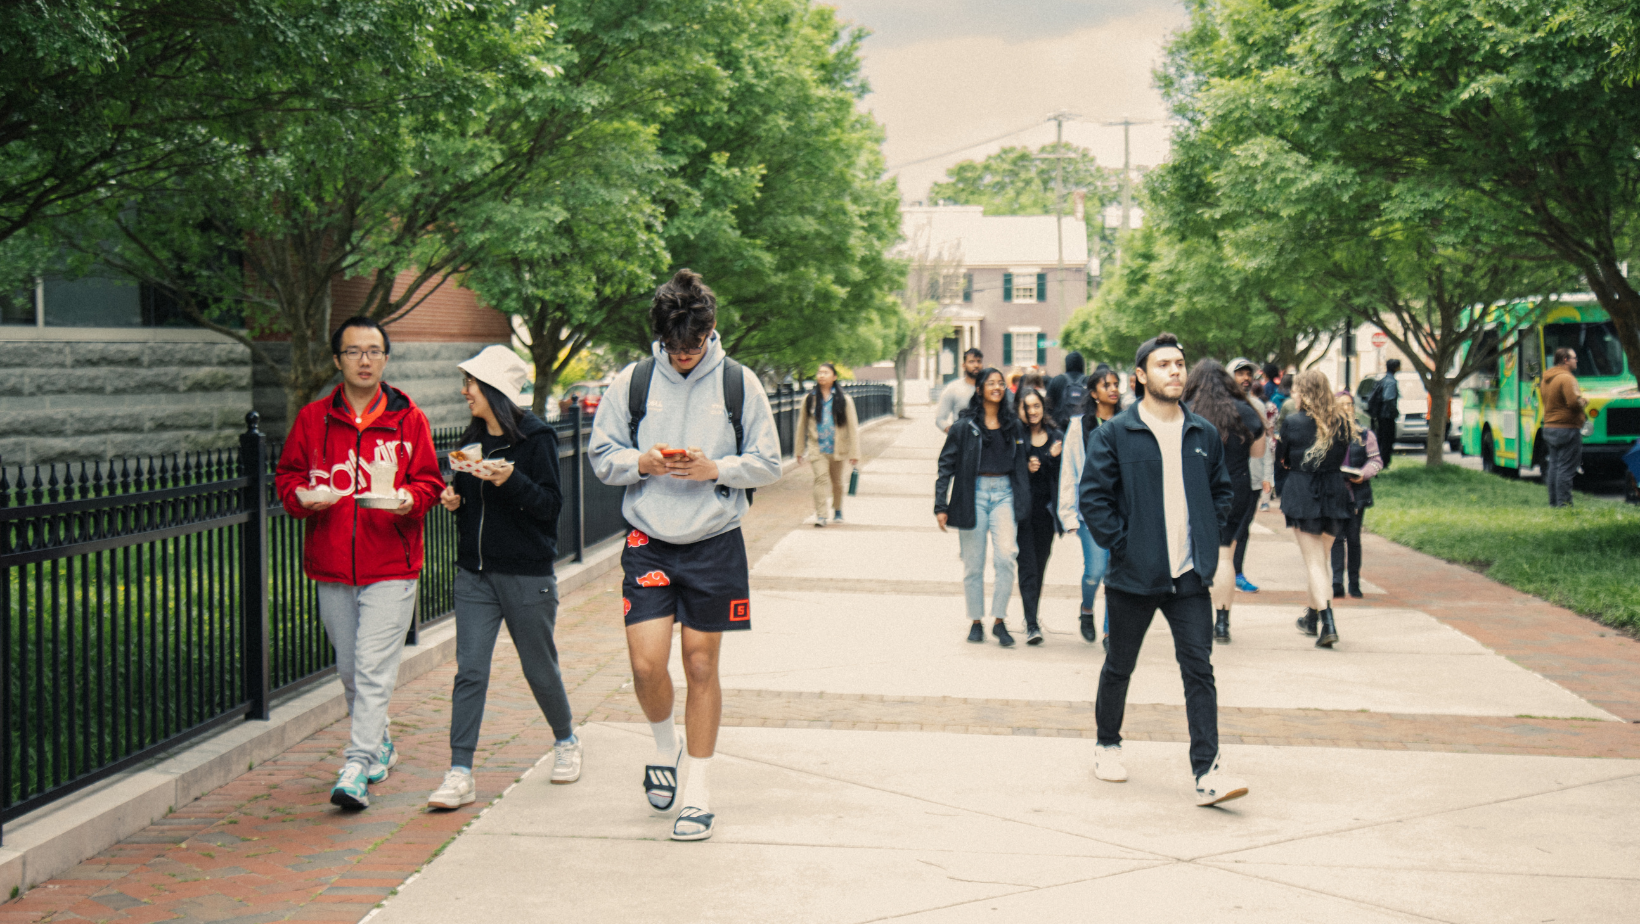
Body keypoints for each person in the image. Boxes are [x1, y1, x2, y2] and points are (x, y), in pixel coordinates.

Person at [588, 268, 783, 842]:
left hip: (714, 543)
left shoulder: (739, 383)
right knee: (646, 666)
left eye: (692, 347)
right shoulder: (634, 381)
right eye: (673, 348)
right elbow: (602, 455)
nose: (682, 357)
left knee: (700, 664)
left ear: (711, 330)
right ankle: (665, 746)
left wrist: (716, 469)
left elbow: (770, 461)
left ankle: (698, 792)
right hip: (648, 542)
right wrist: (640, 463)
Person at [274, 316, 445, 810]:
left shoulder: (409, 417)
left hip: (391, 563)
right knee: (351, 670)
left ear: (386, 359)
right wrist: (303, 497)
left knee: (372, 669)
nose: (365, 360)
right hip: (331, 565)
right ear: (337, 360)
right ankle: (381, 743)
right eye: (354, 351)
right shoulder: (312, 419)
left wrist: (409, 500)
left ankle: (356, 763)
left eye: (374, 351)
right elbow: (287, 478)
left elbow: (430, 482)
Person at [1079, 332, 1246, 807]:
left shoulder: (1203, 434)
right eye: (1163, 364)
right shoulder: (1115, 433)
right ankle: (1107, 744)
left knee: (1199, 670)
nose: (1175, 371)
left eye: (1179, 363)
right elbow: (1093, 498)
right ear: (1141, 375)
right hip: (1135, 576)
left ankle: (1208, 771)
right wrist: (1124, 544)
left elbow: (1222, 491)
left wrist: (1208, 541)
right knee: (1119, 665)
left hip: (1190, 576)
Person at [428, 346, 578, 811]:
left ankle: (566, 740)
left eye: (470, 383)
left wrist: (509, 480)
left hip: (525, 574)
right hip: (474, 575)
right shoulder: (471, 440)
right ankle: (460, 772)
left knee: (539, 667)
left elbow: (550, 508)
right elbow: (474, 507)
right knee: (470, 671)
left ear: (493, 388)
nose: (463, 391)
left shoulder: (537, 439)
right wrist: (458, 502)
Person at [934, 367, 1031, 648]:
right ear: (980, 390)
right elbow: (946, 465)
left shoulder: (1013, 425)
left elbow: (1024, 460)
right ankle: (976, 621)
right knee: (973, 564)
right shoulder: (964, 427)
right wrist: (941, 504)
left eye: (1001, 383)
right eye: (991, 383)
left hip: (1004, 495)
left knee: (1005, 557)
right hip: (973, 494)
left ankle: (999, 620)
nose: (997, 387)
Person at [1182, 360, 1266, 644]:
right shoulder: (1244, 410)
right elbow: (1258, 452)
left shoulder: (1186, 409)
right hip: (1235, 487)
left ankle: (1194, 619)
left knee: (1191, 554)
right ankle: (1222, 622)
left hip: (1193, 487)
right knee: (1226, 557)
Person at [1275, 369, 1355, 649]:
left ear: (1305, 393)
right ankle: (1311, 617)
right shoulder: (1342, 422)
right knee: (1320, 561)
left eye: (1297, 390)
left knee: (1314, 563)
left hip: (1303, 491)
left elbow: (1281, 459)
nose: (1294, 395)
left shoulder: (1293, 422)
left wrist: (1280, 486)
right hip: (1334, 491)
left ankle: (1327, 622)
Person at [1057, 362, 1120, 649]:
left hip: (1120, 510)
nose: (1114, 390)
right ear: (1093, 392)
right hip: (1089, 511)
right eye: (1107, 385)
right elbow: (1069, 470)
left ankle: (1109, 631)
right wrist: (1067, 514)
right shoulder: (1078, 426)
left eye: (1116, 384)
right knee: (1095, 571)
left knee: (1113, 574)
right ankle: (1086, 609)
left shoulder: (1127, 421)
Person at [1013, 388, 1063, 645]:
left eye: (1036, 406)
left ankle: (1032, 615)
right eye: (1027, 407)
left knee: (1040, 566)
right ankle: (1031, 623)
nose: (1032, 411)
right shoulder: (1016, 435)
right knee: (1027, 566)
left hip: (1046, 513)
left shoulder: (1056, 438)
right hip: (1023, 512)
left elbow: (1063, 475)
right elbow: (1010, 467)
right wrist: (1026, 466)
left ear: (1043, 407)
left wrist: (1049, 459)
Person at [1330, 390, 1384, 599]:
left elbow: (1376, 461)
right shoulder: (1327, 433)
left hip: (1356, 494)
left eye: (1349, 405)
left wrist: (1363, 474)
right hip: (1334, 493)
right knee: (1336, 538)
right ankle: (1337, 581)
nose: (1346, 409)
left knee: (1353, 538)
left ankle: (1354, 582)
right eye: (1341, 405)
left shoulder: (1364, 434)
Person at [794, 362, 860, 527]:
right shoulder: (809, 399)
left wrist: (854, 453)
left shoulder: (844, 400)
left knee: (837, 482)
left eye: (826, 372)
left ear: (834, 377)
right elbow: (801, 425)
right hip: (817, 447)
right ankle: (821, 515)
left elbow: (853, 427)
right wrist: (799, 449)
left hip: (837, 448)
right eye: (819, 372)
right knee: (820, 479)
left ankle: (837, 508)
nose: (821, 375)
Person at [1228, 358, 1273, 592]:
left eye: (1249, 374)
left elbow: (1266, 444)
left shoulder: (1257, 405)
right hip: (1224, 478)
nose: (1245, 378)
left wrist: (1268, 476)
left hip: (1252, 478)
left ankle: (1237, 572)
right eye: (1240, 373)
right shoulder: (1218, 405)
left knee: (1243, 528)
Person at [1541, 347, 1588, 508]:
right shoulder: (1567, 379)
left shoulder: (1547, 379)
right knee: (1566, 469)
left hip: (1550, 427)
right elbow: (1573, 403)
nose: (1577, 361)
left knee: (1554, 466)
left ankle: (1554, 503)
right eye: (1574, 358)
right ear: (1566, 360)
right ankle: (1565, 505)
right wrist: (1583, 401)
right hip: (1567, 428)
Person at [935, 348, 984, 432]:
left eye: (978, 361)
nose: (976, 365)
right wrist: (955, 433)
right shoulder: (953, 388)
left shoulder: (989, 388)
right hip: (964, 441)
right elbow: (940, 419)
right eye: (971, 362)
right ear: (963, 366)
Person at [1366, 358, 1402, 469]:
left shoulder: (1383, 380)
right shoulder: (1391, 382)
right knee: (1387, 440)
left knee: (1381, 439)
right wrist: (1395, 412)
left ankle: (1380, 462)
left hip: (1380, 415)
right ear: (1396, 367)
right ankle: (1384, 463)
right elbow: (1388, 398)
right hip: (1387, 416)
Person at [1046, 350, 1089, 430]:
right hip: (1083, 426)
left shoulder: (1057, 380)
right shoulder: (1088, 380)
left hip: (1061, 426)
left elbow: (1048, 404)